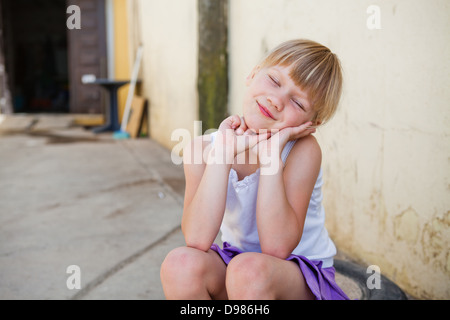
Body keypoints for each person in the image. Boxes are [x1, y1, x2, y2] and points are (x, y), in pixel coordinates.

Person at [160, 39, 349, 300]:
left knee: (248, 271)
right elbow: (197, 238)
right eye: (274, 80)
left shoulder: (302, 151)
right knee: (180, 264)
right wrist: (223, 154)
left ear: (310, 123)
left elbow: (276, 248)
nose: (276, 100)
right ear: (253, 73)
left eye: (298, 103)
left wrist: (271, 157)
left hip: (298, 274)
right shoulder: (201, 149)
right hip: (236, 264)